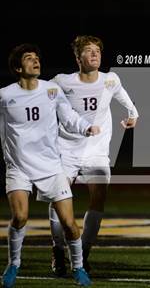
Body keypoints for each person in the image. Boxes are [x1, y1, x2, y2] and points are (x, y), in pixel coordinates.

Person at [0, 43, 97, 287]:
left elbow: (68, 115)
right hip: (18, 166)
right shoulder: (5, 95)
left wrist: (85, 127)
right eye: (29, 58)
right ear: (17, 67)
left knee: (70, 225)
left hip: (51, 166)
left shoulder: (51, 90)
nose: (36, 61)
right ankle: (14, 264)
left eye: (37, 57)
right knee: (20, 217)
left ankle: (78, 269)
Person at [48, 35, 139, 276]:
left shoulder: (110, 80)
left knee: (98, 200)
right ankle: (57, 250)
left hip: (97, 152)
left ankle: (83, 253)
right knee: (59, 201)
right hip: (66, 151)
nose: (95, 54)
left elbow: (127, 102)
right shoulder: (62, 82)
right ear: (78, 58)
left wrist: (132, 115)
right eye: (88, 51)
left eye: (97, 50)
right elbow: (39, 99)